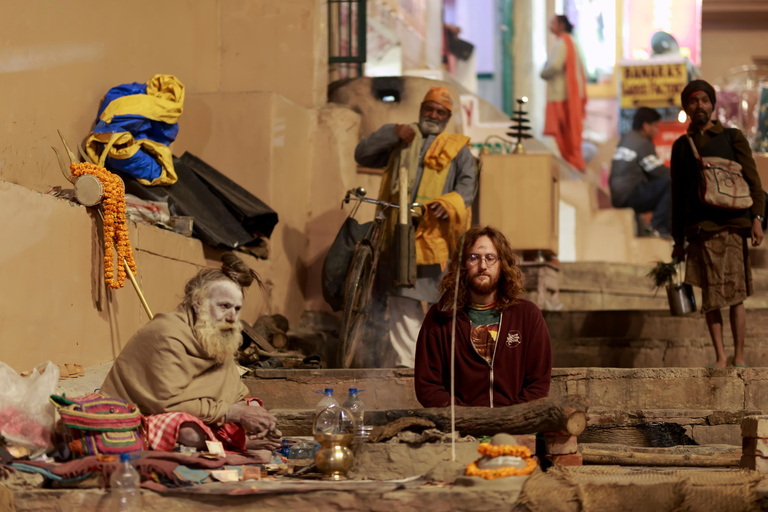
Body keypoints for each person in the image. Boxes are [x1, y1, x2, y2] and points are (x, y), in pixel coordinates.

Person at [101, 253, 281, 451]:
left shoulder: (220, 333)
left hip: (204, 413)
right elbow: (168, 403)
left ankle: (232, 440)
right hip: (139, 415)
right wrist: (234, 414)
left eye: (236, 308)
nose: (231, 316)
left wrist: (255, 412)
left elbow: (235, 392)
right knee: (189, 432)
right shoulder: (167, 334)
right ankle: (233, 443)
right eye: (223, 306)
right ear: (198, 302)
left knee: (255, 414)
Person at [354, 87, 476, 368]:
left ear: (447, 117)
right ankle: (408, 364)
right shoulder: (402, 137)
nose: (433, 115)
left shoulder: (458, 148)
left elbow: (468, 185)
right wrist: (391, 133)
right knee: (402, 296)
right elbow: (362, 154)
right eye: (429, 109)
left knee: (441, 302)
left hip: (436, 238)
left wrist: (449, 203)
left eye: (440, 112)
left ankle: (439, 363)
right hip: (399, 233)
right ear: (421, 109)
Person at [670, 79, 765, 368]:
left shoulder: (732, 138)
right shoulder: (681, 147)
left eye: (705, 100)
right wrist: (677, 241)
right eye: (694, 101)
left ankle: (739, 356)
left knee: (736, 296)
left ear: (713, 105)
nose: (700, 105)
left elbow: (753, 181)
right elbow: (677, 196)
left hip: (734, 226)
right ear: (686, 107)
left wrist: (757, 219)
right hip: (700, 230)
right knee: (711, 298)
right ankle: (721, 357)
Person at [414, 226, 552, 407]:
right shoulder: (441, 318)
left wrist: (510, 420)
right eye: (474, 258)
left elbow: (538, 384)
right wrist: (468, 419)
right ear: (462, 265)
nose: (483, 266)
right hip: (460, 429)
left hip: (516, 428)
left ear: (502, 263)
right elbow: (427, 387)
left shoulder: (527, 315)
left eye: (490, 258)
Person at [610, 107, 671, 236]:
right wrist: (683, 175)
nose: (657, 131)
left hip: (618, 196)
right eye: (655, 126)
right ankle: (658, 226)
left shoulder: (628, 138)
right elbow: (658, 171)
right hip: (629, 194)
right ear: (646, 126)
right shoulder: (642, 142)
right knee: (672, 184)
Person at [541, 14, 587, 171]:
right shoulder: (572, 41)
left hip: (563, 97)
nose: (550, 25)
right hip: (570, 95)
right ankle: (573, 165)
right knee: (568, 136)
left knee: (565, 136)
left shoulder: (562, 42)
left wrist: (542, 73)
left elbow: (553, 66)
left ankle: (573, 166)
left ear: (561, 25)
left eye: (552, 22)